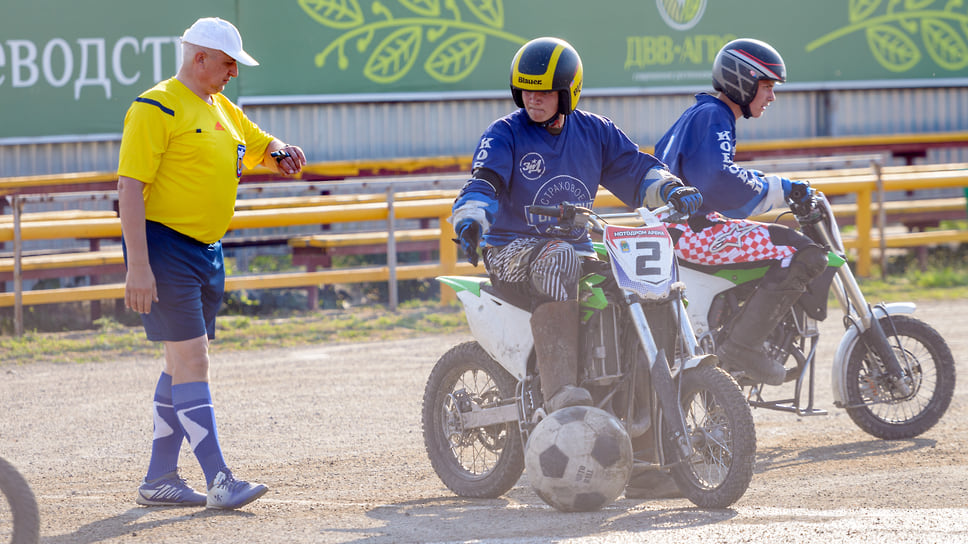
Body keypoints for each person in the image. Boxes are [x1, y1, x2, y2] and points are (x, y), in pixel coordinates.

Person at [450, 37, 702, 416]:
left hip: (576, 247)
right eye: (525, 92)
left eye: (545, 92)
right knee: (559, 256)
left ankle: (640, 402)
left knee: (635, 281)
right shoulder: (505, 133)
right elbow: (485, 183)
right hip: (510, 248)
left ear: (568, 93)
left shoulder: (595, 132)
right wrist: (470, 219)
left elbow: (635, 169)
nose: (533, 100)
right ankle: (561, 394)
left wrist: (670, 188)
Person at [117, 16, 307, 510]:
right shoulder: (156, 106)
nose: (233, 73)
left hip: (205, 251)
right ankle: (219, 480)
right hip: (165, 249)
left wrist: (280, 151)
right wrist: (139, 266)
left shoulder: (220, 106)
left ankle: (160, 478)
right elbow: (129, 188)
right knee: (194, 360)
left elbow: (259, 143)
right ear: (198, 58)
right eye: (227, 64)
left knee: (179, 363)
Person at [654, 38, 828, 386]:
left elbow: (716, 175)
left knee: (771, 244)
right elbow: (717, 180)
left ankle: (736, 333)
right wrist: (781, 189)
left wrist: (768, 184)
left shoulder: (701, 114)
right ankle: (743, 346)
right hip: (693, 232)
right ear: (742, 81)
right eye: (766, 86)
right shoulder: (714, 115)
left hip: (679, 229)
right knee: (804, 253)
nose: (772, 96)